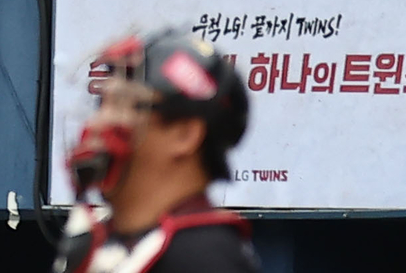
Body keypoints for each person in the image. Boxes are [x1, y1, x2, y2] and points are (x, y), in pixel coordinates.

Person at [53, 31, 260, 273]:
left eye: (124, 105)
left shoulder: (204, 260)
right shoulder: (99, 245)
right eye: (102, 105)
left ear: (184, 135)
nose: (98, 125)